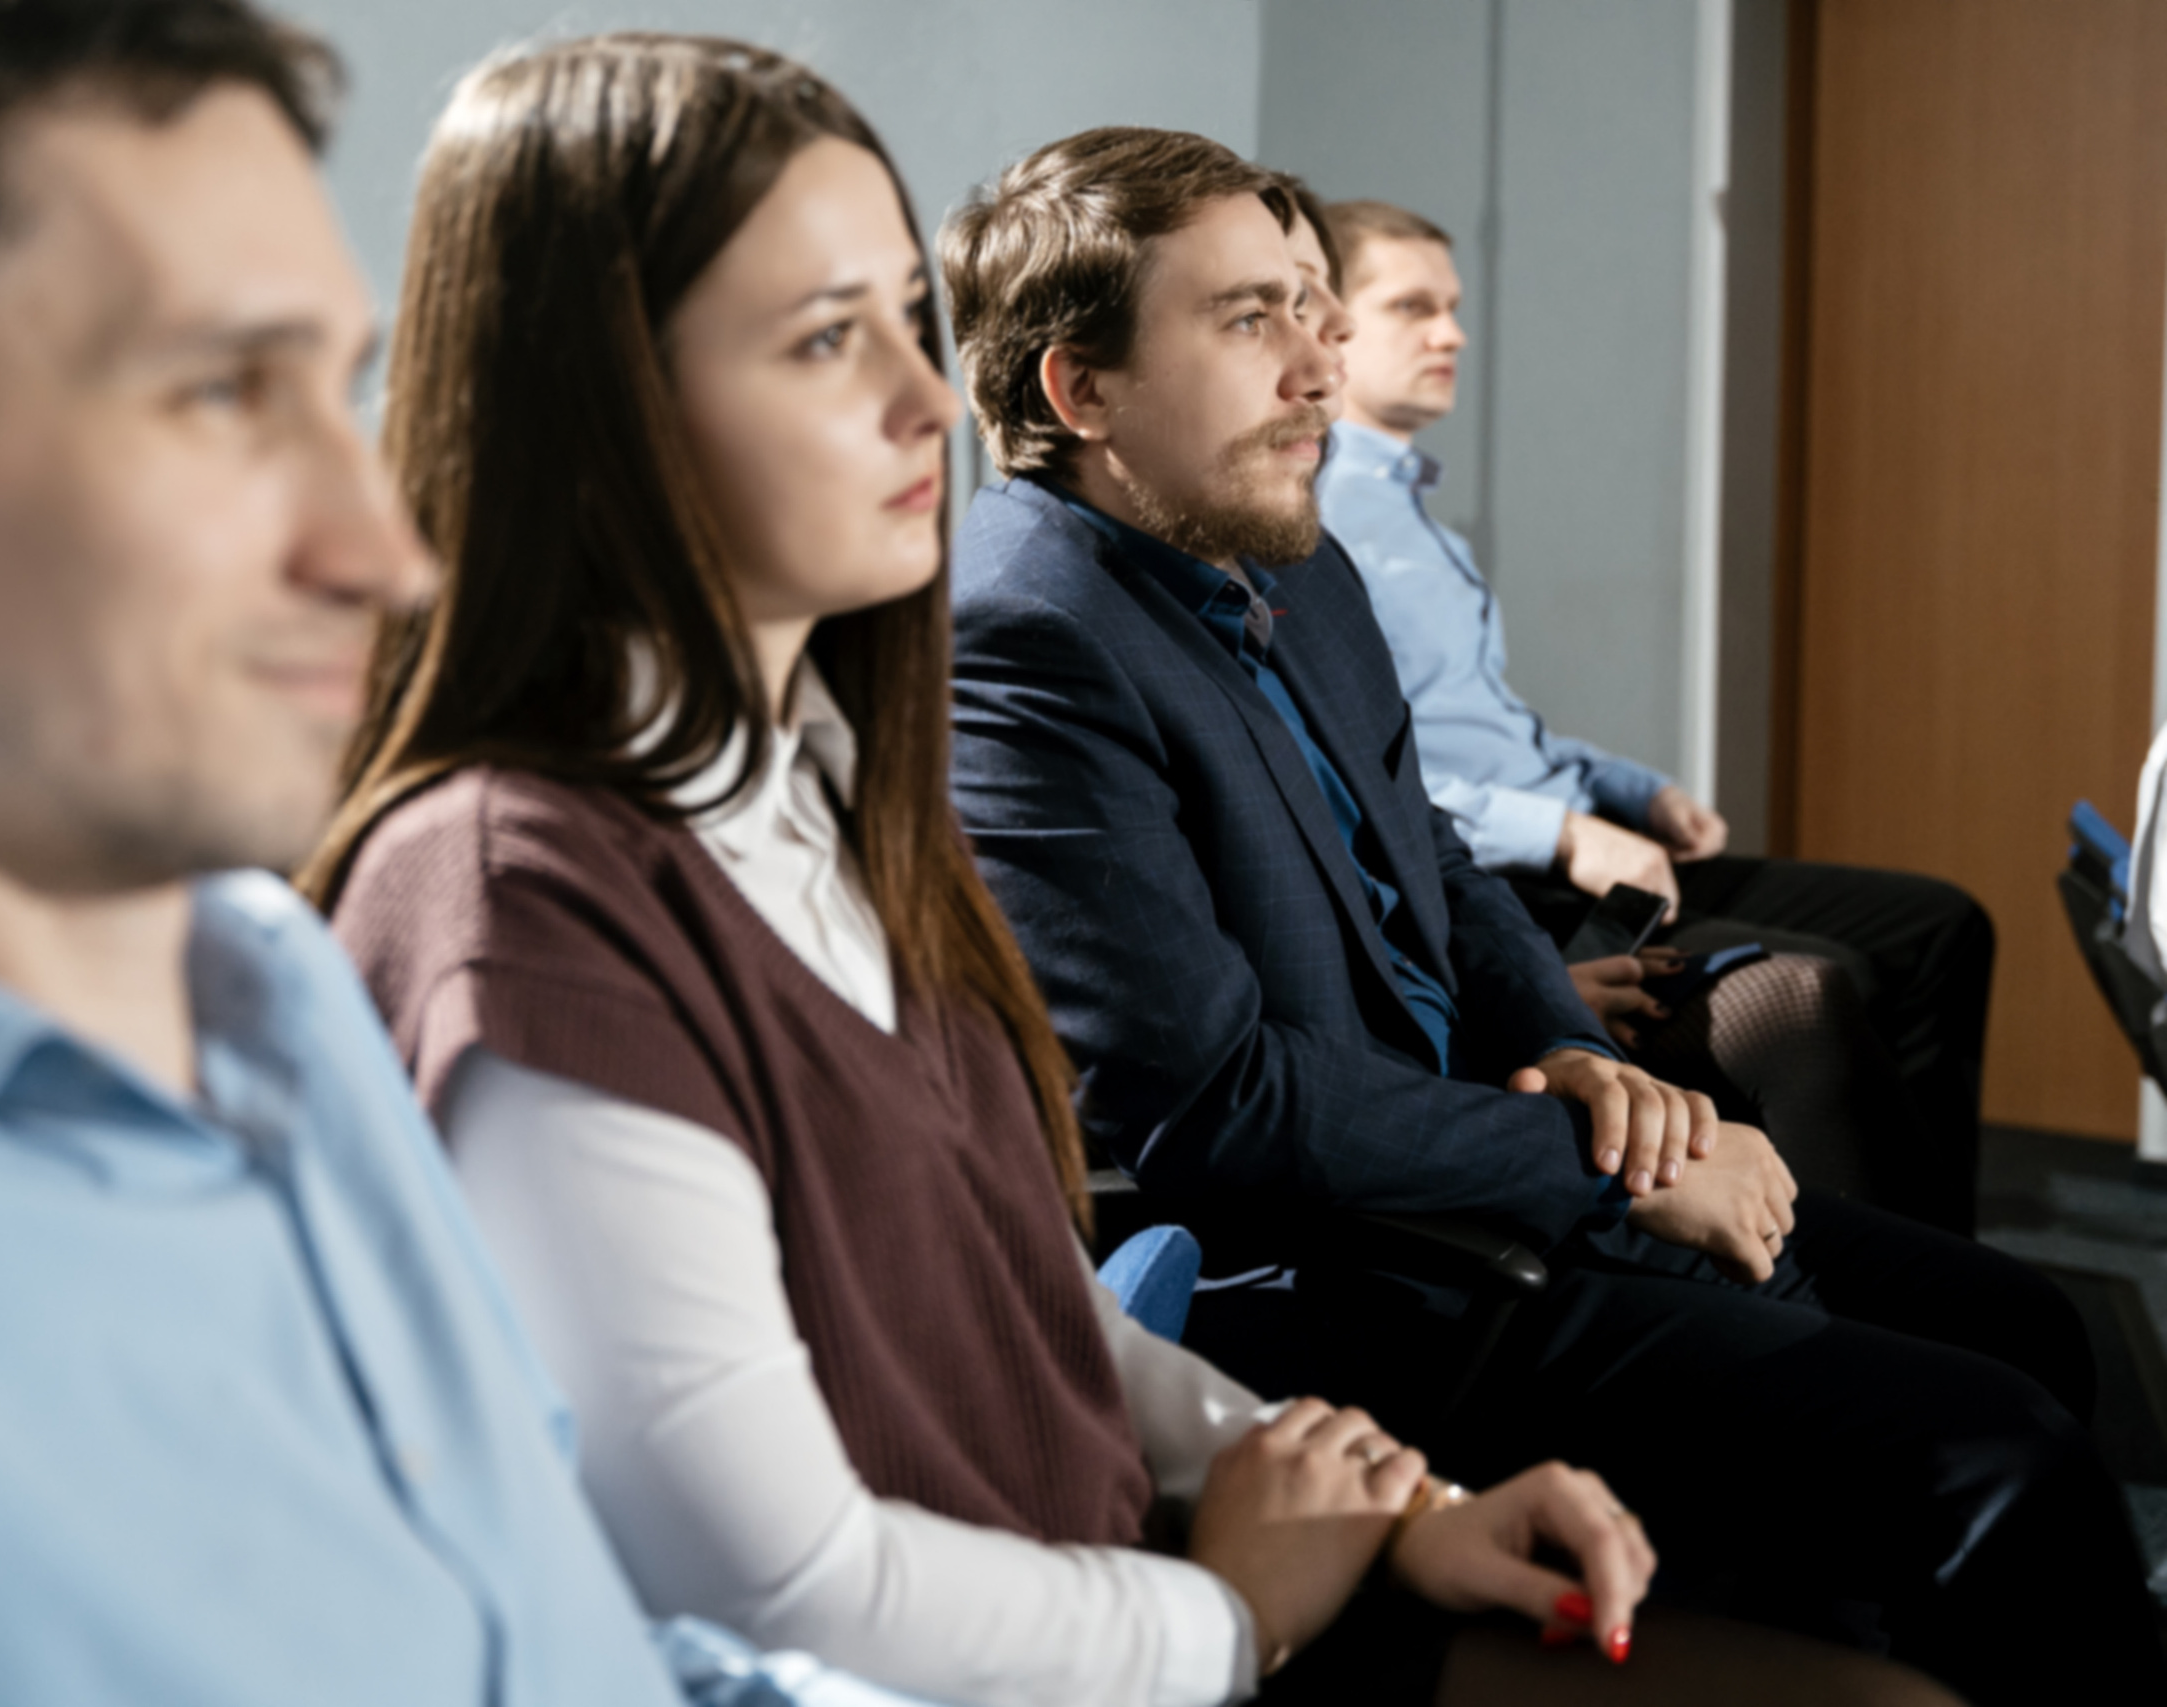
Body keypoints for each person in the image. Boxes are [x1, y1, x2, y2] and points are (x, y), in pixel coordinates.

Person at [301, 33, 1978, 1707]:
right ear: (598, 405)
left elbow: (1021, 1297)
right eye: (828, 338)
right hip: (1083, 1617)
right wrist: (1231, 1613)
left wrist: (1389, 1510)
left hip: (1139, 1539)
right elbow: (784, 1585)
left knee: (1962, 1445)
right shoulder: (523, 891)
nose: (920, 396)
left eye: (905, 316)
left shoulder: (818, 776)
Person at [0, 4, 921, 1703]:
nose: (386, 549)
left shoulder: (280, 994)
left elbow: (536, 1638)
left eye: (339, 386)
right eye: (224, 390)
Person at [938, 124, 2162, 1707]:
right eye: (1251, 320)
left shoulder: (1282, 554)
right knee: (1995, 1454)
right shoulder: (1022, 637)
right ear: (1079, 394)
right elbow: (1226, 1108)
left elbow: (1435, 860)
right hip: (1342, 1277)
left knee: (2019, 1325)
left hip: (1492, 1162)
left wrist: (1572, 1050)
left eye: (1317, 310)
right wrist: (1616, 1169)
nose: (1319, 369)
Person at [1314, 197, 1991, 1236]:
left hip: (1583, 840)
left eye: (1452, 307)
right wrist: (1567, 831)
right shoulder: (1317, 517)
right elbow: (1363, 771)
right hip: (1521, 879)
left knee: (1940, 924)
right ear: (1331, 326)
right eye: (1413, 308)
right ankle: (1871, 1284)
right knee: (1823, 984)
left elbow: (1496, 726)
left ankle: (1943, 1252)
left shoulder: (1409, 508)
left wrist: (1630, 788)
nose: (1451, 334)